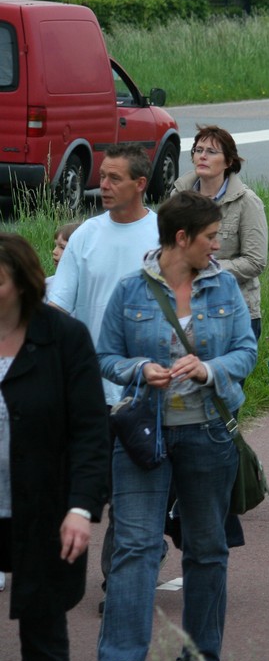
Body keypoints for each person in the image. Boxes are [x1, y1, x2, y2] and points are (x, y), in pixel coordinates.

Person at [95, 191, 257, 661]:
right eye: (211, 237)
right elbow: (105, 356)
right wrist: (140, 368)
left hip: (209, 435)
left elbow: (246, 351)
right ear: (181, 238)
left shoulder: (224, 287)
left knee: (206, 549)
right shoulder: (130, 289)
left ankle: (200, 658)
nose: (217, 246)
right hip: (143, 437)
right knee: (134, 547)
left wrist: (209, 369)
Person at [46, 144, 160, 610]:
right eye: (103, 176)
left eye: (114, 178)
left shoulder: (162, 236)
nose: (103, 185)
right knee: (83, 485)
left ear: (140, 184)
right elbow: (59, 309)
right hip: (86, 390)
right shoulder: (85, 237)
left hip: (143, 390)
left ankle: (120, 579)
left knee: (129, 496)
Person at [0, 233, 108, 661]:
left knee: (42, 632)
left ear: (23, 283)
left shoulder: (64, 337)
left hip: (44, 506)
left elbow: (90, 430)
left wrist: (80, 507)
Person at [173, 125, 268, 342]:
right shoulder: (178, 197)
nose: (202, 156)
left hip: (234, 309)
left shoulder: (247, 202)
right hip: (186, 307)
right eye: (198, 150)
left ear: (228, 162)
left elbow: (255, 261)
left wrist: (205, 270)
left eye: (211, 152)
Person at [45, 221, 82, 292]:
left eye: (62, 247)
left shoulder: (89, 288)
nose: (54, 251)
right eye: (55, 246)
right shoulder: (46, 285)